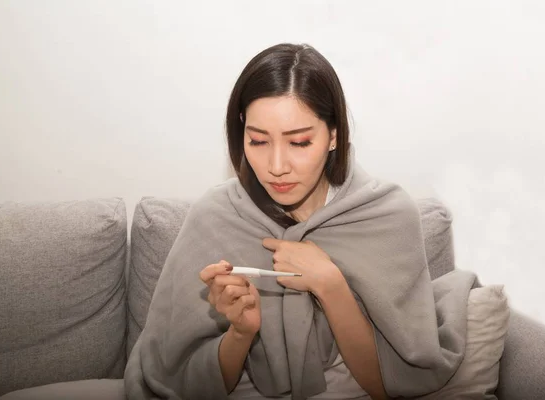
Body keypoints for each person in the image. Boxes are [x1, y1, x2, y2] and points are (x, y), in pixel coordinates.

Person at [124, 43, 477, 400]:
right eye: (258, 141)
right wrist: (241, 333)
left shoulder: (387, 214)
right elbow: (176, 379)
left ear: (334, 135)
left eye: (300, 142)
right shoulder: (214, 216)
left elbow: (393, 384)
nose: (277, 166)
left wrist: (330, 284)